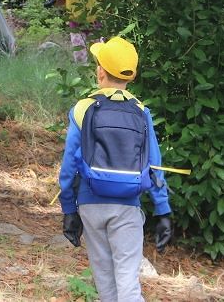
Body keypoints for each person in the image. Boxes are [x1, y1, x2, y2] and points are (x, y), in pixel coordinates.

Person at [58, 36, 173, 302]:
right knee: (128, 283)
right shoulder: (141, 112)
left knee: (105, 283)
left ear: (100, 71)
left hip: (90, 204)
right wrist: (163, 209)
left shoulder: (83, 108)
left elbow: (69, 165)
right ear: (130, 76)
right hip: (127, 207)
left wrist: (69, 209)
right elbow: (154, 166)